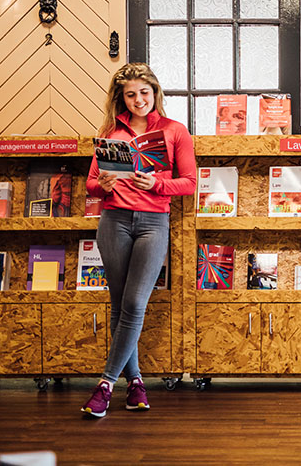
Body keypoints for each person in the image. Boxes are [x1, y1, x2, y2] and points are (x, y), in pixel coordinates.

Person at [81, 63, 196, 417]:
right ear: (122, 98)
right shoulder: (111, 133)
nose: (138, 100)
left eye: (144, 92)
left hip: (153, 223)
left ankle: (105, 385)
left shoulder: (175, 131)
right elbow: (90, 184)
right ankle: (135, 383)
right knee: (119, 305)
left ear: (155, 93)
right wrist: (103, 185)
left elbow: (190, 182)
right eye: (130, 95)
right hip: (114, 221)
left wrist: (157, 183)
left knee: (134, 303)